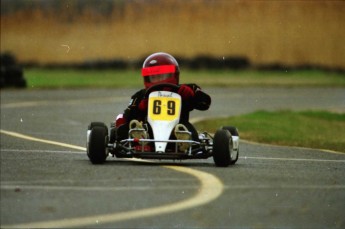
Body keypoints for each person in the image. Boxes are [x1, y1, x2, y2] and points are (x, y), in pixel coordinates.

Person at [112, 52, 211, 151]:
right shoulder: (141, 95)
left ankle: (185, 141)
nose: (158, 80)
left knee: (185, 128)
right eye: (154, 77)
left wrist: (191, 96)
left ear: (173, 75)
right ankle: (142, 137)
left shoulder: (185, 90)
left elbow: (205, 103)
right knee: (124, 129)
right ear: (147, 78)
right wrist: (141, 108)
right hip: (148, 130)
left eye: (162, 76)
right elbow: (128, 116)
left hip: (177, 129)